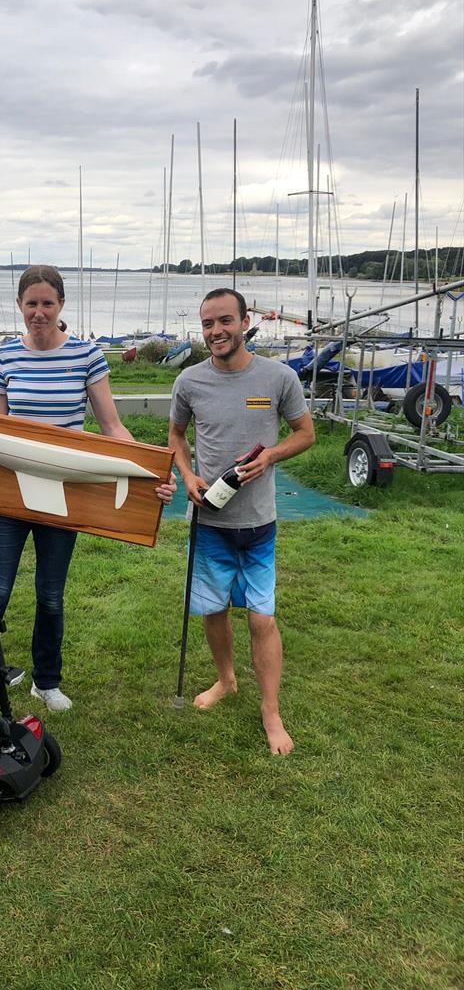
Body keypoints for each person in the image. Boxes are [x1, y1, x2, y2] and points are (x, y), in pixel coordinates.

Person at [0, 264, 176, 714]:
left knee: (51, 596)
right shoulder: (7, 357)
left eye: (47, 303)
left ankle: (45, 681)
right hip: (11, 492)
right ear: (19, 306)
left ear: (61, 306)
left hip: (64, 493)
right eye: (30, 303)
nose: (38, 312)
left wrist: (153, 471)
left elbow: (112, 426)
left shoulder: (87, 356)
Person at [168, 288, 315, 755]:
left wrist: (270, 455)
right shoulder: (189, 381)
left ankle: (271, 713)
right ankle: (226, 680)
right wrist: (187, 474)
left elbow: (305, 433)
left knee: (261, 619)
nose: (216, 331)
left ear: (245, 321)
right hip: (208, 521)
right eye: (208, 323)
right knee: (212, 609)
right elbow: (174, 434)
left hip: (258, 524)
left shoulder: (278, 376)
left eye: (225, 321)